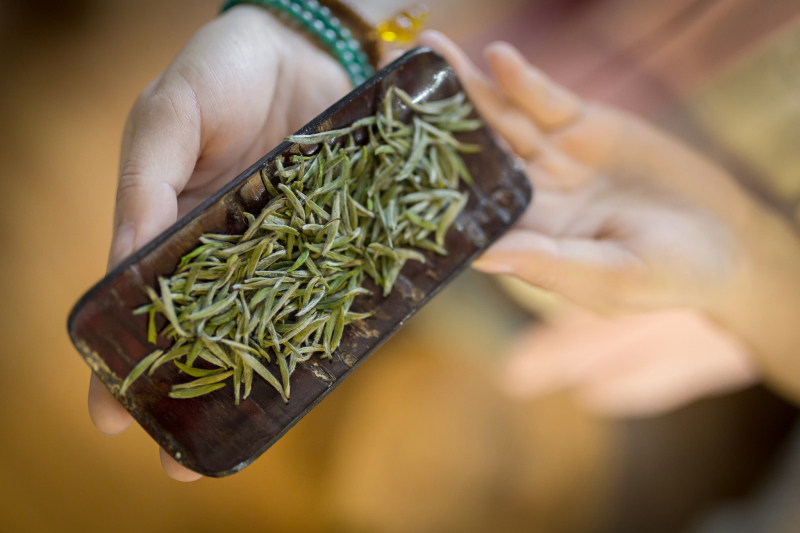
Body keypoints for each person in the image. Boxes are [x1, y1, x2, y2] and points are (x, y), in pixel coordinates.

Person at [88, 3, 800, 482]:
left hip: (653, 281)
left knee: (412, 332)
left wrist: (747, 268)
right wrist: (330, 21)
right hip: (447, 91)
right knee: (365, 323)